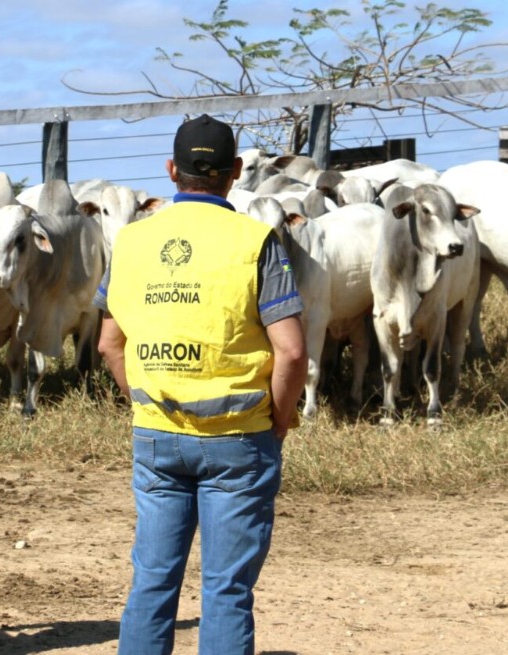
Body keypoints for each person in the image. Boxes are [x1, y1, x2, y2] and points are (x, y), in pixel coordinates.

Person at [94, 113, 308, 655]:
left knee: (152, 582)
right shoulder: (257, 241)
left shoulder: (132, 242)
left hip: (157, 434)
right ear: (235, 172)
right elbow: (292, 350)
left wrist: (142, 403)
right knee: (227, 591)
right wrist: (278, 422)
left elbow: (108, 345)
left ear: (171, 170)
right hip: (239, 438)